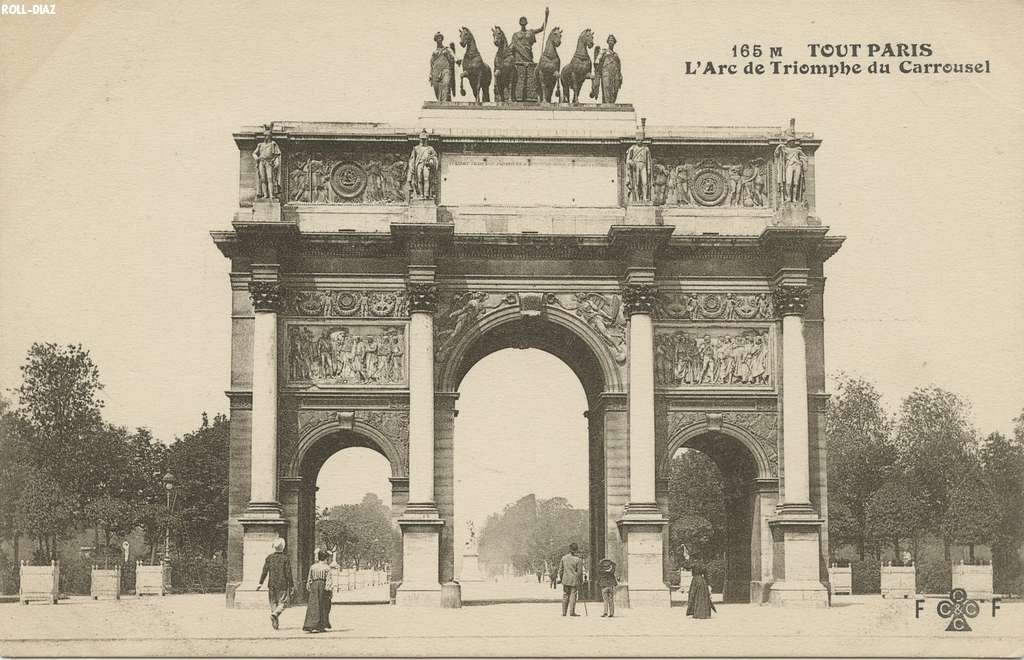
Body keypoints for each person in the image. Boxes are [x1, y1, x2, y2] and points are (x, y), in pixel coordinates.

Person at [255, 538, 293, 630]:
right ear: (283, 547)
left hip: (271, 583)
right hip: (282, 583)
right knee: (283, 603)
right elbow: (288, 573)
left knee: (273, 602)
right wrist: (291, 585)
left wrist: (260, 583)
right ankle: (275, 614)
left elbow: (264, 571)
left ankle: (275, 620)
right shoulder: (285, 558)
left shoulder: (269, 558)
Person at [303, 550, 334, 633]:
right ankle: (321, 625)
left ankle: (310, 625)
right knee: (323, 605)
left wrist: (309, 586)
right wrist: (329, 590)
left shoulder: (313, 567)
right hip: (322, 585)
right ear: (325, 558)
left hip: (314, 585)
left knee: (313, 605)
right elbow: (328, 580)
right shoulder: (327, 567)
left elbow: (310, 578)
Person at [557, 543, 584, 617]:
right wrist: (580, 581)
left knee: (565, 595)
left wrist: (562, 578)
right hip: (574, 580)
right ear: (576, 550)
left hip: (565, 579)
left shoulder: (564, 558)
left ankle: (564, 612)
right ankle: (572, 612)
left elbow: (560, 570)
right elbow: (579, 572)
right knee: (573, 596)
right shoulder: (578, 560)